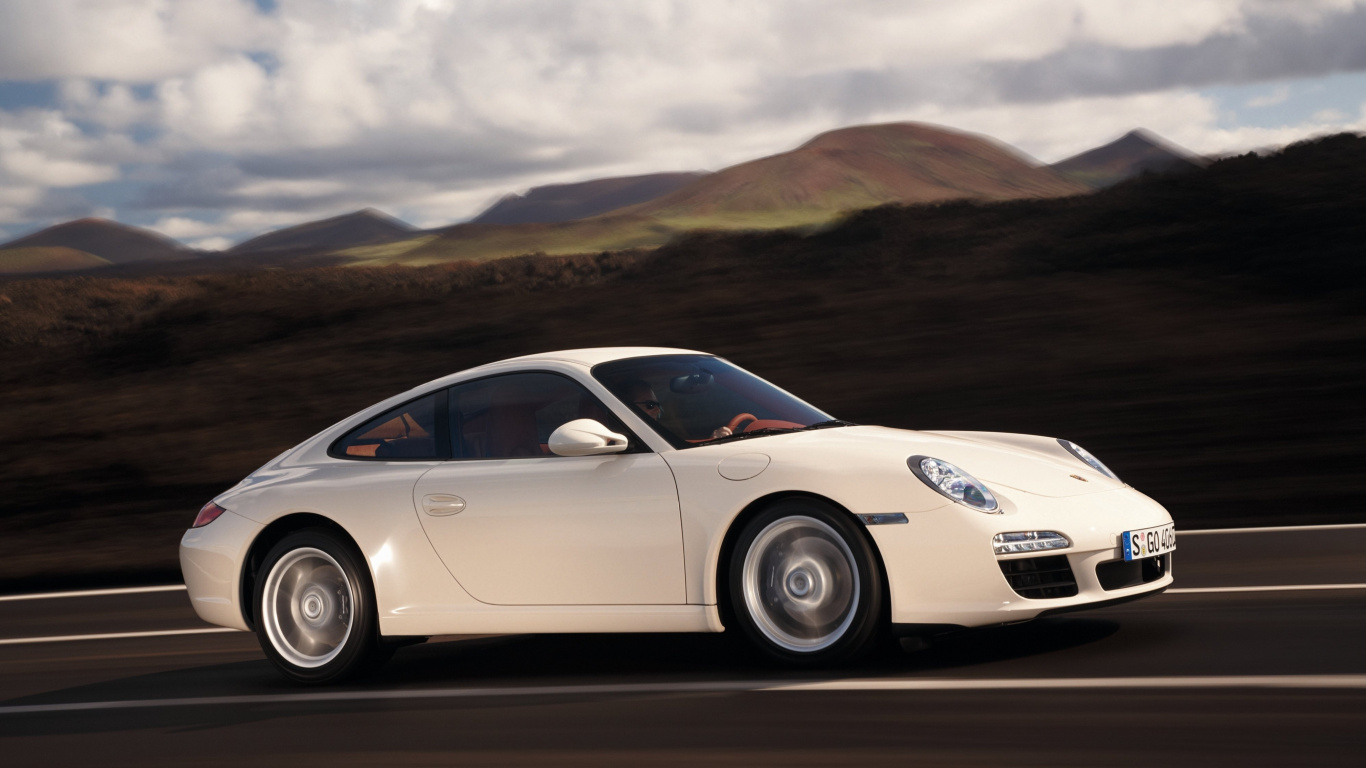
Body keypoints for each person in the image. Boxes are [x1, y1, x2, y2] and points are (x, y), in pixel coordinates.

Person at [624, 379, 733, 439]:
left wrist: (712, 440)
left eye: (659, 405)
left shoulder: (658, 435)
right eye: (650, 405)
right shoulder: (623, 442)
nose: (658, 410)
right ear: (628, 408)